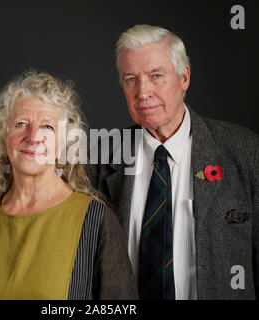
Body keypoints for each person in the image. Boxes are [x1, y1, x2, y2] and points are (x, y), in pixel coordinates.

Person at [88, 24, 259, 300]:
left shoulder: (245, 151)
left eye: (156, 76)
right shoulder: (99, 159)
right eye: (131, 79)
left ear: (184, 78)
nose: (143, 92)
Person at [0, 70, 138, 300]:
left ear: (63, 145)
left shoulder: (96, 221)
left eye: (47, 127)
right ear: (2, 138)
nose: (33, 136)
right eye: (21, 123)